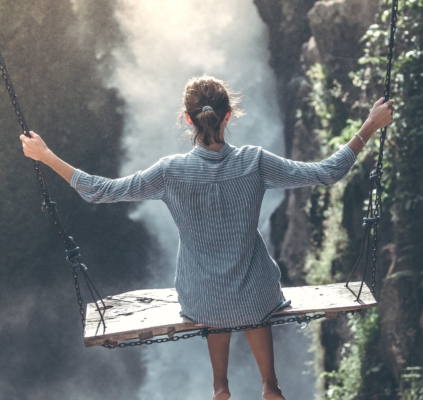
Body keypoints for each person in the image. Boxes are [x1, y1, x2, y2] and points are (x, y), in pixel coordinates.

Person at [20, 75, 394, 400]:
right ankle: (271, 384)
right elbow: (327, 173)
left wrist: (46, 155)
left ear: (187, 119)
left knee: (215, 295)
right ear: (229, 116)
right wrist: (369, 126)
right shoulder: (255, 161)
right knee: (252, 292)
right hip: (256, 295)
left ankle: (219, 386)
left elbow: (99, 190)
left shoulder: (170, 171)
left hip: (202, 299)